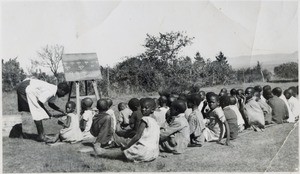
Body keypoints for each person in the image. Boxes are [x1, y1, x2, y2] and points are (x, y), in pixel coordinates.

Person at [121, 98, 160, 162]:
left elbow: (137, 136)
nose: (143, 109)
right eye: (142, 107)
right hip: (154, 153)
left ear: (152, 109)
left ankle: (103, 154)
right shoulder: (154, 120)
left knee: (123, 153)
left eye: (146, 108)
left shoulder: (145, 119)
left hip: (144, 152)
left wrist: (127, 146)